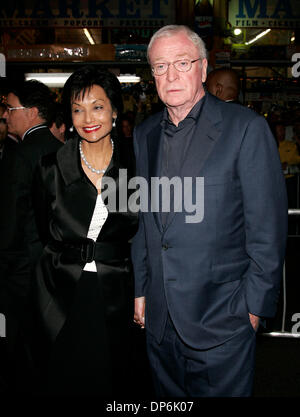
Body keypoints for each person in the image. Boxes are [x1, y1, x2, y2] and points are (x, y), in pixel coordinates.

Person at [132, 25, 288, 397]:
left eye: (182, 63)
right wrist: (140, 289)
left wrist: (254, 309)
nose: (170, 76)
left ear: (202, 68)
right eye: (160, 66)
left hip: (222, 316)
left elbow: (267, 228)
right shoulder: (144, 134)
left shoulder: (246, 129)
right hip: (159, 318)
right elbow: (143, 222)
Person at [31, 65, 139, 396]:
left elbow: (141, 233)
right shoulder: (51, 167)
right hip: (61, 288)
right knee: (65, 373)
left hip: (116, 288)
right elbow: (42, 231)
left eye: (97, 106)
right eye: (77, 109)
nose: (87, 118)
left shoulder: (135, 166)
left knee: (111, 376)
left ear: (115, 110)